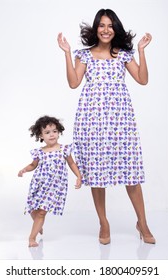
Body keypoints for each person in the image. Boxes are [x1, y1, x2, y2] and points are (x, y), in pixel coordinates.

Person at [58, 8, 155, 245]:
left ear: (116, 29)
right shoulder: (84, 55)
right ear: (95, 28)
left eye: (110, 26)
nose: (106, 30)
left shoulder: (123, 54)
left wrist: (141, 51)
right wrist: (68, 53)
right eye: (102, 25)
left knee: (131, 173)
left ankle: (142, 222)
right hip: (91, 120)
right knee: (97, 174)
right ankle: (103, 222)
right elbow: (73, 83)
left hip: (121, 120)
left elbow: (142, 79)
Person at [18, 116, 82, 247]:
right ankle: (38, 224)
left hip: (55, 186)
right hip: (39, 184)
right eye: (47, 132)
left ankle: (32, 238)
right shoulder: (39, 152)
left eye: (54, 131)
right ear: (41, 135)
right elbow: (33, 165)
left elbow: (72, 164)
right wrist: (24, 169)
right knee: (32, 209)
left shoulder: (64, 149)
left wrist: (78, 176)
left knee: (42, 212)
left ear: (59, 132)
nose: (51, 135)